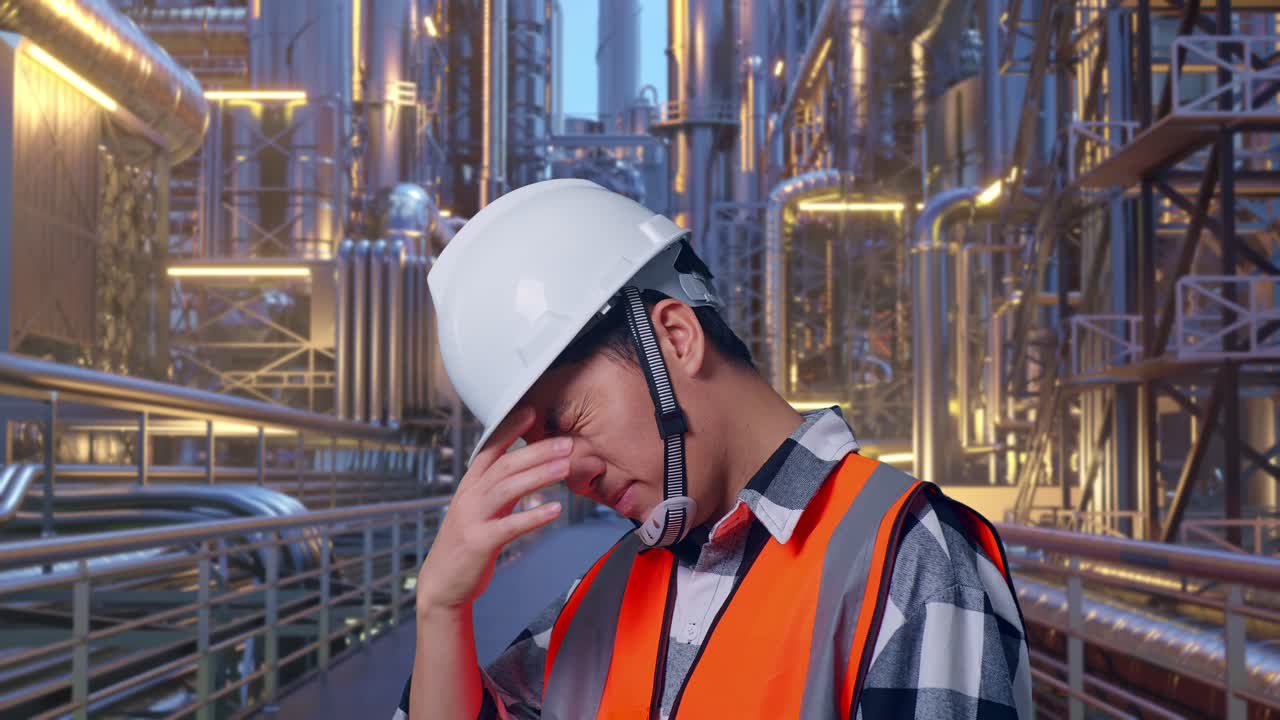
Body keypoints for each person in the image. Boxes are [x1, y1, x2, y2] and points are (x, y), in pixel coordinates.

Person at [395, 179, 1031, 719]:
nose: (571, 472)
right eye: (538, 449)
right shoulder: (605, 595)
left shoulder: (908, 559)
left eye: (569, 421)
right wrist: (440, 609)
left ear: (674, 336)